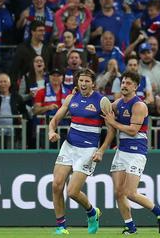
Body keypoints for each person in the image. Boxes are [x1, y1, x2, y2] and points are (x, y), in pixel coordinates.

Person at [101, 70, 160, 234]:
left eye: (128, 83)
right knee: (118, 192)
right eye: (123, 82)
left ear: (136, 87)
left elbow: (133, 130)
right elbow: (103, 110)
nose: (124, 86)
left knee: (130, 193)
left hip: (136, 152)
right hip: (122, 150)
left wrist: (112, 122)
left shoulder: (139, 105)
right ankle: (130, 226)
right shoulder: (118, 103)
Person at [48, 69, 115, 235]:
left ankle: (92, 212)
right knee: (56, 185)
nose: (83, 84)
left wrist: (101, 150)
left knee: (72, 192)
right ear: (77, 82)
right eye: (81, 81)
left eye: (87, 81)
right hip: (69, 146)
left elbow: (112, 130)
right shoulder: (72, 98)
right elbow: (55, 120)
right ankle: (61, 227)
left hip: (88, 150)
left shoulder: (102, 101)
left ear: (93, 83)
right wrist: (51, 131)